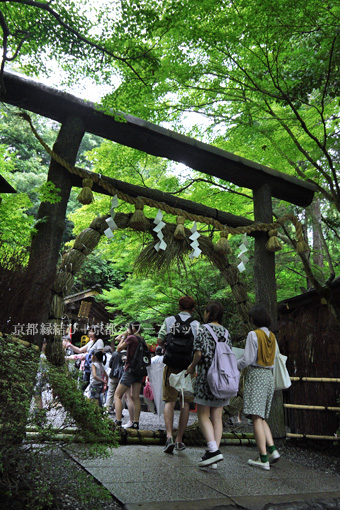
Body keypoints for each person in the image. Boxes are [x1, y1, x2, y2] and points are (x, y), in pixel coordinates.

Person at [186, 301, 230, 468]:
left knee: (203, 414)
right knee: (217, 416)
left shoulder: (203, 329)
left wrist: (191, 367)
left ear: (209, 313)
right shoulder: (226, 332)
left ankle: (213, 450)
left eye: (205, 311)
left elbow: (198, 353)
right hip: (222, 378)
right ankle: (214, 456)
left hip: (206, 376)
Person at [237, 305, 280, 471]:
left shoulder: (253, 334)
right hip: (268, 376)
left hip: (256, 375)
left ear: (254, 319)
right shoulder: (272, 336)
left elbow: (247, 360)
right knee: (261, 417)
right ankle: (272, 450)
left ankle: (263, 458)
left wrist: (233, 365)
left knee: (255, 417)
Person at [157, 296, 200, 454]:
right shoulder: (196, 325)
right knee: (185, 403)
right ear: (193, 309)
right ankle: (179, 439)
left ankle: (168, 436)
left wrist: (168, 345)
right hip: (188, 368)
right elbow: (198, 348)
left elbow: (160, 340)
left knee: (169, 400)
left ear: (179, 306)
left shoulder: (169, 321)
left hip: (171, 366)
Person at [113, 322, 147, 430]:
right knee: (135, 396)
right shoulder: (141, 339)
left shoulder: (131, 338)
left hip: (130, 370)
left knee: (117, 395)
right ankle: (136, 422)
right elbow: (119, 337)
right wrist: (126, 333)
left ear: (132, 328)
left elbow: (118, 348)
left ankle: (118, 421)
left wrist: (126, 335)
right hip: (140, 370)